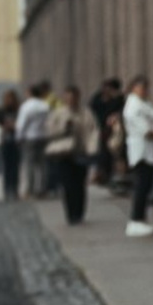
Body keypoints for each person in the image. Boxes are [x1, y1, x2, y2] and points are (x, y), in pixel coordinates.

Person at [44, 86, 96, 226]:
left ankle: (79, 213)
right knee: (67, 185)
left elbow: (92, 131)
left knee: (79, 184)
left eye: (73, 98)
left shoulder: (85, 113)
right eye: (68, 98)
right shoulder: (58, 113)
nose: (71, 101)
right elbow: (49, 130)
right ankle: (70, 214)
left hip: (80, 152)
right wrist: (63, 127)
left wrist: (92, 149)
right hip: (63, 153)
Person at [120, 76, 153, 236]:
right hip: (142, 151)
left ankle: (141, 217)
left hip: (149, 150)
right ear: (134, 88)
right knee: (141, 186)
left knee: (146, 185)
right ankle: (136, 219)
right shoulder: (133, 106)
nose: (144, 90)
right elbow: (145, 130)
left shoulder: (143, 103)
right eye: (141, 87)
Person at [18, 81, 53, 198]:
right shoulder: (45, 105)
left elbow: (22, 123)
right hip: (43, 136)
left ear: (30, 93)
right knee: (42, 165)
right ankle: (42, 189)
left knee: (30, 165)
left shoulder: (27, 106)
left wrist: (19, 136)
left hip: (30, 137)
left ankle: (30, 189)